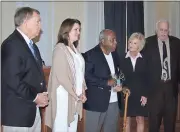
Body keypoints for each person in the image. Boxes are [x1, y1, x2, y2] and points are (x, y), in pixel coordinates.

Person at [1, 7, 48, 132]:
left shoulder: (32, 46)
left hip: (32, 110)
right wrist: (35, 97)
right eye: (37, 21)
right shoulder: (12, 44)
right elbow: (12, 79)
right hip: (18, 115)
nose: (40, 25)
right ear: (26, 22)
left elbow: (35, 75)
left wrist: (42, 94)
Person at [45, 18, 87, 132]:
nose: (78, 32)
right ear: (66, 31)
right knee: (61, 128)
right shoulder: (59, 49)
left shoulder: (74, 49)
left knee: (72, 128)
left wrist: (82, 91)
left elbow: (80, 73)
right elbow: (62, 77)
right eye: (76, 29)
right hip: (63, 96)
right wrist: (75, 94)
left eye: (79, 30)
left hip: (75, 95)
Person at [143, 19, 180, 132]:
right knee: (154, 123)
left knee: (170, 123)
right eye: (161, 30)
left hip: (171, 89)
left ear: (169, 30)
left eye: (166, 30)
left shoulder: (177, 43)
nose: (164, 33)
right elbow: (143, 67)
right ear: (156, 30)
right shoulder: (147, 43)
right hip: (154, 89)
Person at [83, 29, 122, 132]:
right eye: (112, 40)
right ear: (102, 41)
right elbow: (87, 76)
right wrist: (106, 82)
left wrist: (118, 84)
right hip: (96, 102)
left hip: (114, 101)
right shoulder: (90, 55)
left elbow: (118, 73)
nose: (115, 42)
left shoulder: (114, 54)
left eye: (115, 40)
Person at [120, 32, 148, 132]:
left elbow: (147, 78)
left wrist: (145, 95)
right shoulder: (122, 59)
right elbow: (120, 77)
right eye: (130, 42)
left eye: (135, 43)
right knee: (126, 120)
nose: (131, 45)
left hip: (141, 94)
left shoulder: (145, 59)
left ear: (140, 46)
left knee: (140, 119)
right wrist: (123, 88)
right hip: (127, 93)